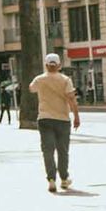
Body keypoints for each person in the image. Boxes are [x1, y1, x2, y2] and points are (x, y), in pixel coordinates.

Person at [30, 53, 80, 193]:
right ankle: (64, 179)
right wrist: (76, 116)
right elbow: (71, 99)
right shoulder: (65, 80)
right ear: (59, 65)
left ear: (46, 65)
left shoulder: (39, 79)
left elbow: (31, 88)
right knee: (63, 151)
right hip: (62, 119)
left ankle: (51, 179)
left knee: (48, 150)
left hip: (45, 118)